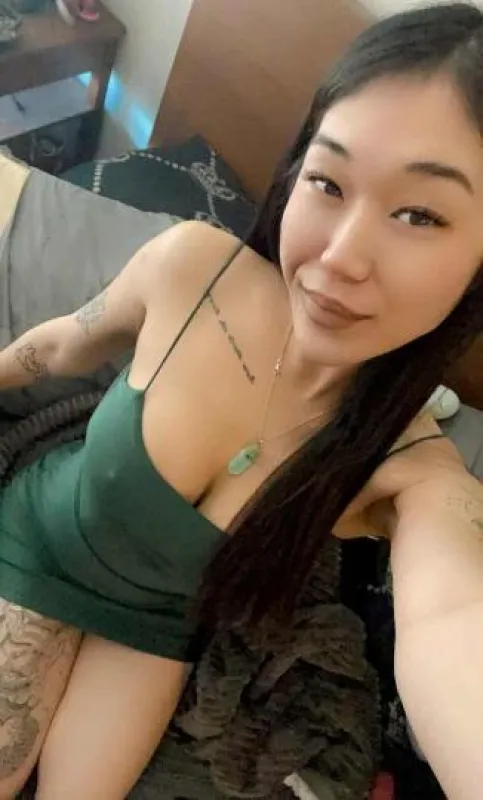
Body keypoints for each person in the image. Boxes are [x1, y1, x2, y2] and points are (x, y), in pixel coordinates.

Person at [0, 2, 483, 797]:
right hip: (39, 545)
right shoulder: (195, 269)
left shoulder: (410, 467)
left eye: (418, 214)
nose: (340, 256)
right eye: (327, 181)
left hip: (150, 630)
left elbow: (453, 619)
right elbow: (58, 346)